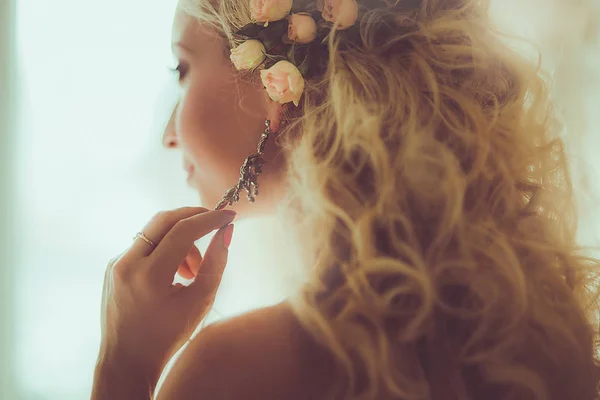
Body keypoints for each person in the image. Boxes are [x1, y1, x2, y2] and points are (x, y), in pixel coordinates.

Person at [91, 0, 600, 399]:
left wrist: (123, 368)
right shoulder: (546, 344)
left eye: (182, 68)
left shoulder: (233, 375)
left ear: (277, 86)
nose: (167, 135)